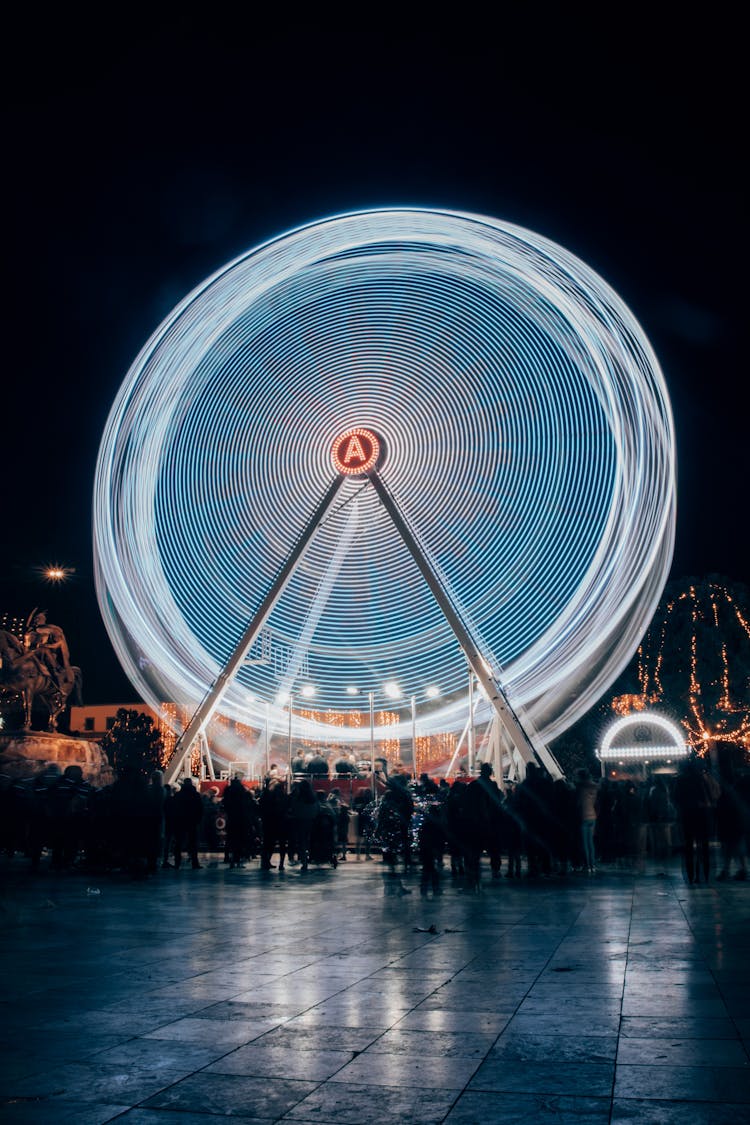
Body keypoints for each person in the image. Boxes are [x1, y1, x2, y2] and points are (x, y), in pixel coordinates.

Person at [172, 777, 204, 870]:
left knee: (178, 843)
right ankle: (195, 862)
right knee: (193, 843)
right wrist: (198, 820)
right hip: (192, 822)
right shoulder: (196, 795)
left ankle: (177, 863)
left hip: (180, 821)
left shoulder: (178, 795)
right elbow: (200, 809)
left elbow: (174, 809)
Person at [575, 768, 599, 875]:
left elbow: (578, 803)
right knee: (591, 843)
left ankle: (587, 865)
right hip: (592, 816)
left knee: (585, 843)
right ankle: (593, 865)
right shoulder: (594, 787)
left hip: (583, 816)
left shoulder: (580, 788)